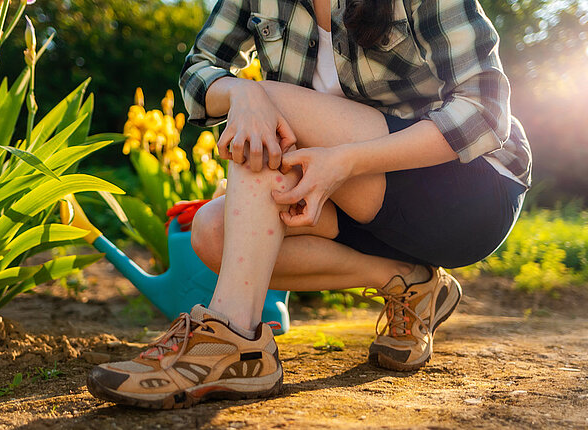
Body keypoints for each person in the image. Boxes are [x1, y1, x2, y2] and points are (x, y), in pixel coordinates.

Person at [87, 0, 531, 409]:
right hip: (348, 192)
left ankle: (231, 336)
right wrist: (242, 95)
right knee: (211, 232)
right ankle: (411, 283)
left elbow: (485, 110)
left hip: (469, 192)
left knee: (272, 102)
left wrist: (346, 162)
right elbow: (198, 70)